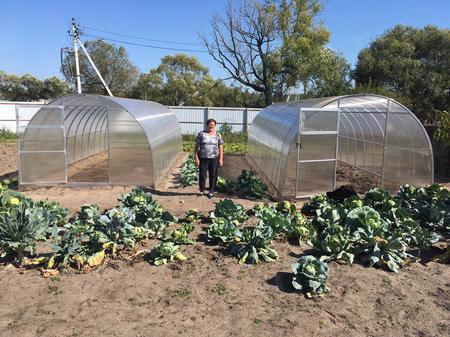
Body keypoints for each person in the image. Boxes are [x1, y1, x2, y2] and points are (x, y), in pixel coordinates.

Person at [194, 119, 224, 198]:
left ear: (215, 126)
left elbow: (220, 147)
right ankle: (202, 190)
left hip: (214, 158)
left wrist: (221, 159)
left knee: (213, 175)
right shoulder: (202, 134)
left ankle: (211, 191)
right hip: (203, 158)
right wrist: (196, 158)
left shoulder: (218, 135)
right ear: (207, 125)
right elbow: (196, 147)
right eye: (210, 124)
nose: (211, 126)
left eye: (213, 125)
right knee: (202, 174)